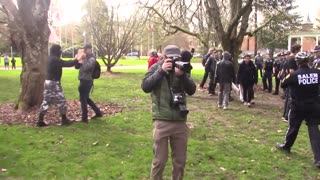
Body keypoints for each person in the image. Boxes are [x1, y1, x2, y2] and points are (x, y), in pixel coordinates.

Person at [141, 45, 196, 180]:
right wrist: (161, 71)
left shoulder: (182, 68)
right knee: (159, 161)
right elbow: (145, 86)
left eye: (175, 57)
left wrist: (182, 76)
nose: (173, 60)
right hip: (162, 120)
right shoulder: (156, 68)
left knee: (180, 161)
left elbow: (191, 90)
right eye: (170, 58)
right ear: (164, 57)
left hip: (180, 120)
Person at [276, 52, 320, 167]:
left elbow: (283, 84)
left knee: (293, 127)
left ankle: (287, 146)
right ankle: (318, 158)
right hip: (314, 105)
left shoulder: (294, 75)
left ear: (297, 62)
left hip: (298, 106)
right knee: (314, 130)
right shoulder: (317, 73)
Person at [37, 44, 78, 127]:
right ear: (56, 51)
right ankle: (64, 120)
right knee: (61, 101)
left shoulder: (50, 58)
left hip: (48, 82)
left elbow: (63, 62)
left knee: (46, 101)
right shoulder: (55, 59)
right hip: (54, 83)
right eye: (60, 50)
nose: (61, 52)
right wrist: (77, 59)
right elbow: (67, 63)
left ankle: (40, 121)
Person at [75, 44, 102, 123]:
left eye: (87, 49)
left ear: (90, 49)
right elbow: (77, 67)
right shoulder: (85, 58)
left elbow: (86, 68)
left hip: (87, 81)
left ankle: (84, 118)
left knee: (83, 99)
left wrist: (83, 60)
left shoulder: (92, 59)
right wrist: (77, 59)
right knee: (85, 98)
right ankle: (98, 112)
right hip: (83, 79)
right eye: (84, 49)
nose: (85, 51)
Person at [282, 45, 301, 122]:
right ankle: (287, 116)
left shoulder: (288, 58)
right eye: (299, 50)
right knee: (290, 98)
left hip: (288, 80)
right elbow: (291, 71)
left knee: (288, 98)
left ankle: (285, 115)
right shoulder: (292, 59)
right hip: (291, 81)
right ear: (296, 51)